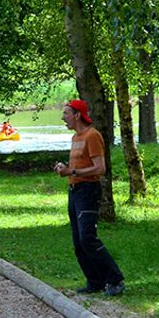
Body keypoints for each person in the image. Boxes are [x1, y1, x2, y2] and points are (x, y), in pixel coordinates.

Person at [53, 99, 125, 297]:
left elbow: (100, 168)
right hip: (74, 191)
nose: (63, 118)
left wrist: (72, 171)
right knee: (78, 241)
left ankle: (115, 280)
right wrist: (65, 170)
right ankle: (95, 282)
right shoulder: (76, 138)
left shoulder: (92, 136)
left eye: (66, 113)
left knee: (88, 238)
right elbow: (75, 169)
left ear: (77, 115)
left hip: (88, 190)